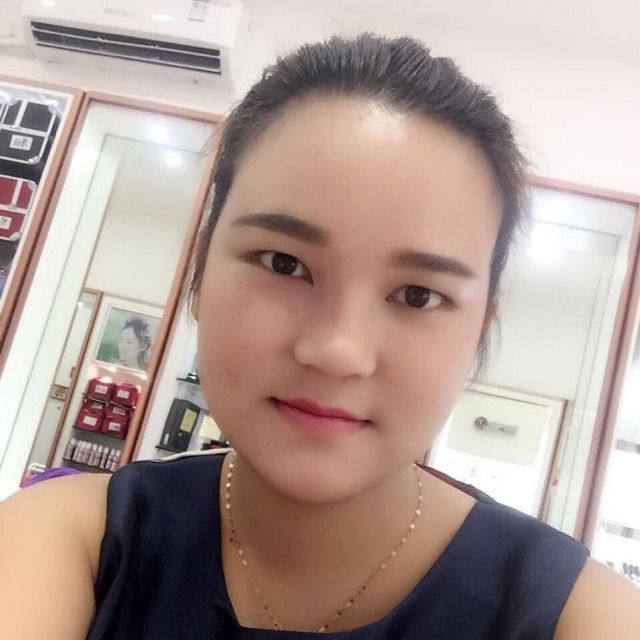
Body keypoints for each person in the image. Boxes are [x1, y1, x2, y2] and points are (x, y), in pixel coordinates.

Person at [1, 33, 639, 639]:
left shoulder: (577, 614)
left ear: (477, 334)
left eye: (418, 295)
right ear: (199, 269)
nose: (338, 350)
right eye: (284, 263)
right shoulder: (70, 541)